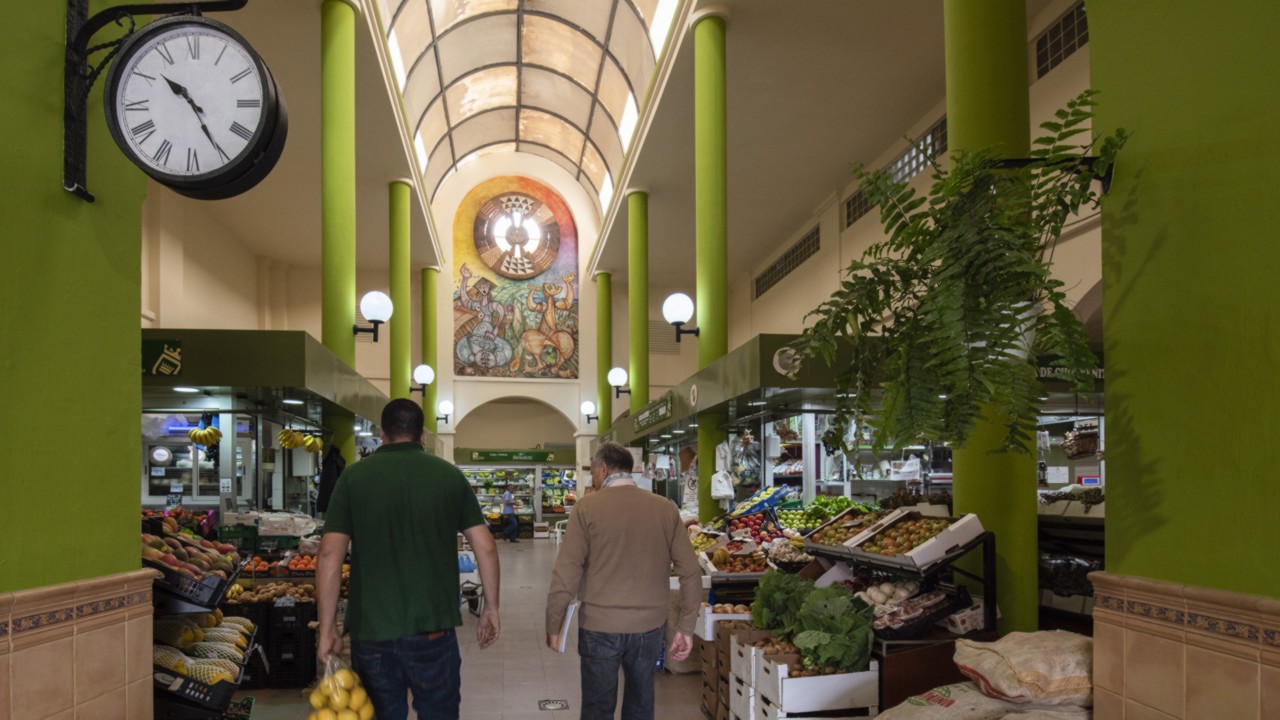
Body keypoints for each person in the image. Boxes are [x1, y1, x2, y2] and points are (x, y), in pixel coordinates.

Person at [317, 399, 501, 720]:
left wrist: (327, 627)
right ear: (424, 435)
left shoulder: (353, 478)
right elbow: (485, 546)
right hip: (433, 630)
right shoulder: (449, 476)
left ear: (381, 433)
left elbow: (330, 554)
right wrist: (491, 608)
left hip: (372, 632)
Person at [545, 442, 702, 720]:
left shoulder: (587, 508)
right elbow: (690, 571)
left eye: (593, 471)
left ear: (603, 468)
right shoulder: (665, 508)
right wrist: (685, 627)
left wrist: (554, 623)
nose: (593, 477)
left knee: (597, 708)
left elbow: (567, 571)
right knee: (641, 705)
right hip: (649, 627)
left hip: (599, 625)